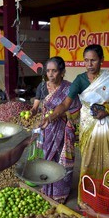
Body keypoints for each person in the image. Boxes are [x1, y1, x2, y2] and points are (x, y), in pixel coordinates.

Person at [42, 44, 109, 202]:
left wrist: (106, 112)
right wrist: (50, 117)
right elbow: (66, 104)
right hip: (88, 126)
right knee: (87, 162)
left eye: (93, 60)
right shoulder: (79, 80)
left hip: (106, 126)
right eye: (86, 60)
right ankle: (87, 199)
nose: (89, 64)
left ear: (101, 60)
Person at [31, 56, 81, 203]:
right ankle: (47, 189)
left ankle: (60, 193)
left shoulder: (69, 88)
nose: (51, 74)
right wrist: (32, 112)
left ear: (62, 72)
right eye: (48, 71)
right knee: (48, 158)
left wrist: (60, 117)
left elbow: (76, 111)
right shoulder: (42, 87)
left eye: (54, 71)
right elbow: (36, 106)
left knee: (62, 160)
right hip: (47, 129)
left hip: (64, 130)